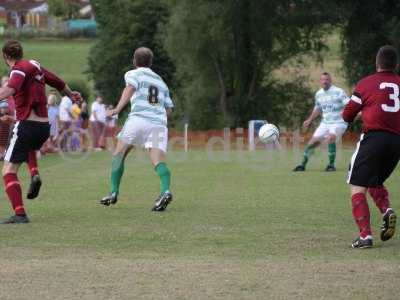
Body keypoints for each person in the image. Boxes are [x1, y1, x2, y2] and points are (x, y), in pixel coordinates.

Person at [0, 40, 80, 224]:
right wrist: (72, 95)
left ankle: (19, 214)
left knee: (8, 170)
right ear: (21, 52)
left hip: (27, 124)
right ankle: (34, 172)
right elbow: (58, 82)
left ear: (5, 56)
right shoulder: (35, 65)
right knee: (28, 148)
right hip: (44, 127)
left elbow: (12, 87)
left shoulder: (18, 69)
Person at [100, 47, 174, 212]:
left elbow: (130, 89)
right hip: (158, 124)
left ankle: (113, 192)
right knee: (158, 161)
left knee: (119, 155)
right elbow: (168, 110)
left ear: (134, 61)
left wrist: (117, 109)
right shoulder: (161, 82)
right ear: (151, 63)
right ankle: (165, 191)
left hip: (138, 120)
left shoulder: (133, 74)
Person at [343, 45, 400, 248]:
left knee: (357, 184)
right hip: (396, 143)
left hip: (374, 138)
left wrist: (361, 112)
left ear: (377, 63)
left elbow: (347, 114)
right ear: (396, 65)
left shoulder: (367, 83)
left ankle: (365, 236)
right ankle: (386, 211)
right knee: (374, 181)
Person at [293, 72, 349, 172]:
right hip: (325, 123)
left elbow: (348, 105)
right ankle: (302, 165)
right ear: (320, 81)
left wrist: (346, 114)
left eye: (327, 80)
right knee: (312, 143)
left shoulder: (339, 91)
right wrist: (309, 119)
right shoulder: (319, 94)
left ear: (330, 81)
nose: (325, 82)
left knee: (330, 137)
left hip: (339, 122)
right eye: (323, 80)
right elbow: (318, 108)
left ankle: (331, 165)